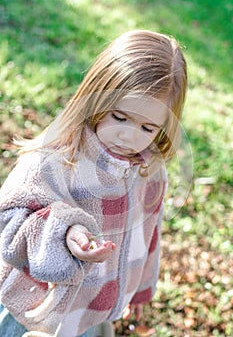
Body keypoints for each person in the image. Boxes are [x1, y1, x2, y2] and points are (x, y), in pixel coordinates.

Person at [0, 29, 187, 337]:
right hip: (36, 311)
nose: (129, 135)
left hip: (94, 311)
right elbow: (9, 218)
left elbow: (148, 234)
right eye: (119, 117)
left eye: (147, 127)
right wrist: (64, 230)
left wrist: (139, 288)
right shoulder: (55, 160)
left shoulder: (149, 172)